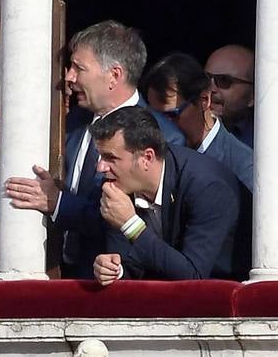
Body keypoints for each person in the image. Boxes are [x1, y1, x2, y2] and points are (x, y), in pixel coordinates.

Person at [4, 21, 188, 278]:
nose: (69, 77)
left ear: (114, 75)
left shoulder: (162, 139)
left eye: (79, 68)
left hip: (109, 283)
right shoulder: (68, 123)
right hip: (55, 273)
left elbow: (124, 216)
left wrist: (57, 203)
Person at [89, 107, 240, 284]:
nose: (100, 168)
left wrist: (131, 225)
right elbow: (132, 264)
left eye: (110, 158)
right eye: (100, 157)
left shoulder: (208, 187)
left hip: (226, 298)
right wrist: (114, 270)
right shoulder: (117, 185)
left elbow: (193, 277)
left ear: (147, 157)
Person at [141, 51, 252, 278]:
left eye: (171, 116)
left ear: (204, 100)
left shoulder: (242, 165)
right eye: (153, 118)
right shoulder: (150, 158)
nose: (159, 129)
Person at [204, 43, 255, 147]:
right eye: (205, 78)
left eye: (224, 80)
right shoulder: (183, 132)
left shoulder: (269, 138)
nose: (211, 89)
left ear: (253, 95)